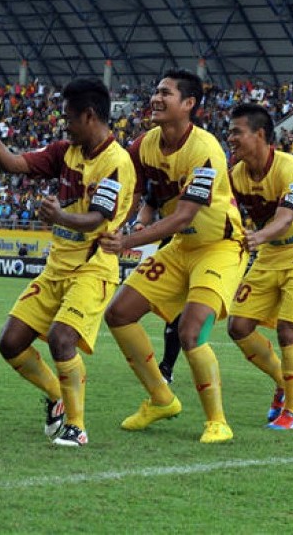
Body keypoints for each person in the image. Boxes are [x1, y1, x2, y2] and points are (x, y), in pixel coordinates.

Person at [0, 78, 136, 446]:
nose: (63, 124)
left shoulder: (116, 161)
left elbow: (97, 218)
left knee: (62, 338)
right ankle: (57, 396)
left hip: (93, 268)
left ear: (89, 116)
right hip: (57, 266)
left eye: (68, 118)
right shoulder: (65, 151)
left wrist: (58, 217)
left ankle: (76, 427)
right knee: (9, 343)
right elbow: (13, 164)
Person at [100, 69, 245, 444]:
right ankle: (161, 399)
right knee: (118, 313)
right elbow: (131, 191)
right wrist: (119, 220)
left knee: (191, 331)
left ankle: (217, 421)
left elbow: (183, 215)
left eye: (166, 93)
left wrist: (130, 240)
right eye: (155, 91)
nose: (156, 98)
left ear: (189, 104)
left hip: (220, 248)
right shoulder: (144, 144)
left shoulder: (206, 149)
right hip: (182, 247)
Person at [226, 104, 293, 430]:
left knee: (288, 332)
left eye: (236, 132)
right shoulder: (236, 174)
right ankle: (282, 382)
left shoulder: (291, 168)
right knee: (238, 327)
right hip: (270, 256)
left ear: (259, 135)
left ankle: (292, 413)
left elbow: (286, 219)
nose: (230, 139)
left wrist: (258, 236)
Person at [128, 199, 182, 384]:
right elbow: (151, 201)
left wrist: (130, 240)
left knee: (182, 317)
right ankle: (162, 367)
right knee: (122, 310)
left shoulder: (201, 175)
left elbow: (184, 216)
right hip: (169, 244)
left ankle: (167, 367)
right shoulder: (161, 178)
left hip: (200, 246)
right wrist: (140, 222)